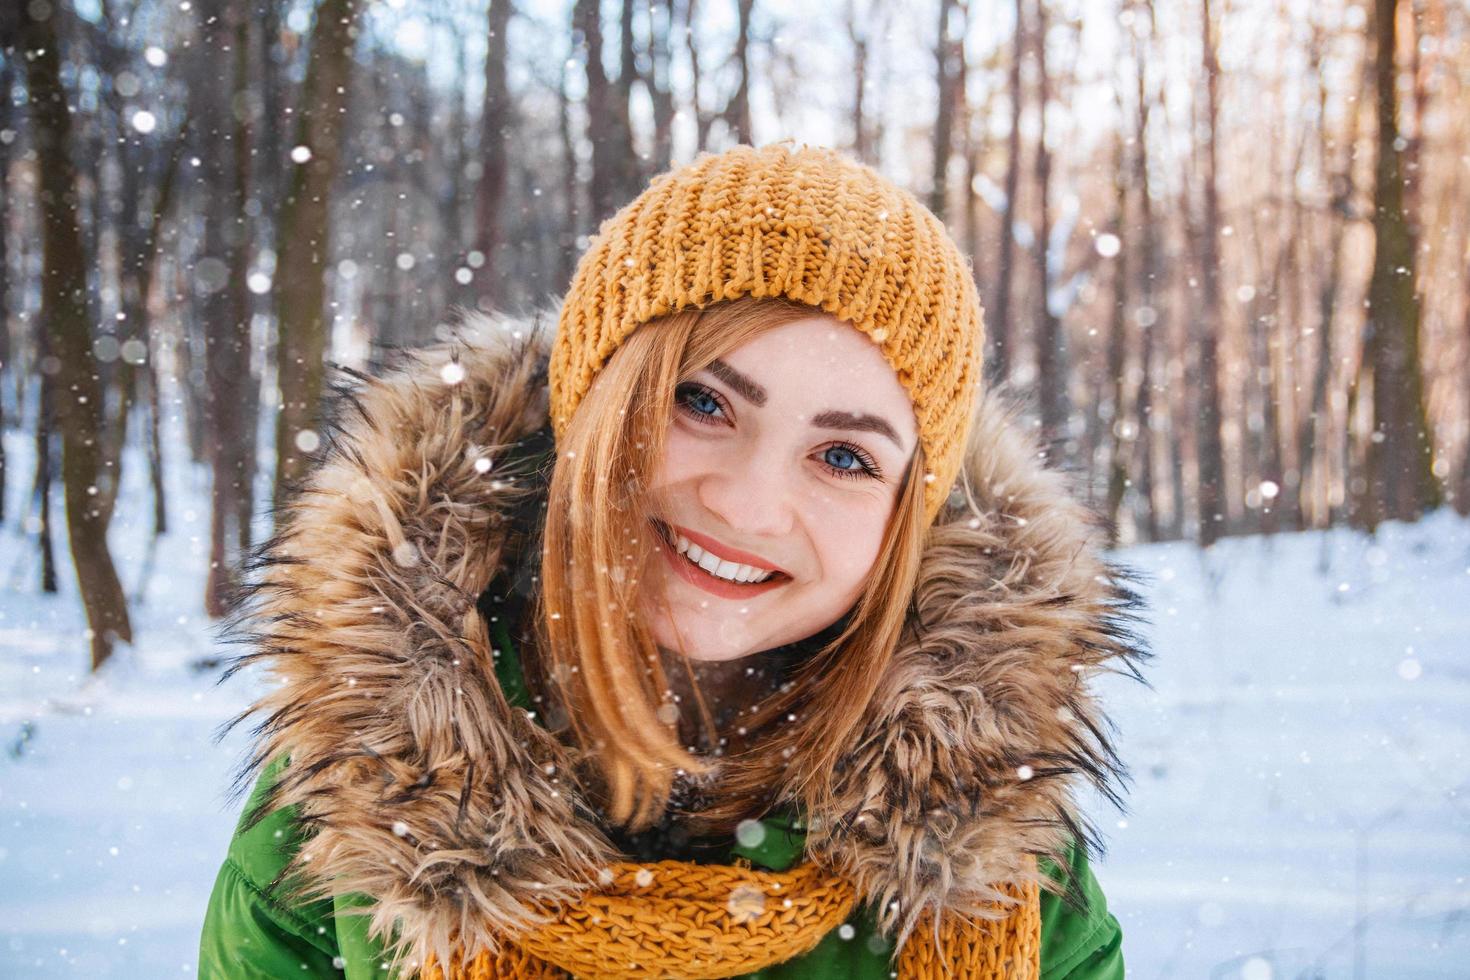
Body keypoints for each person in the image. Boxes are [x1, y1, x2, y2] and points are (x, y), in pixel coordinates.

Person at [199, 141, 1148, 979]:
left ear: (907, 524)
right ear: (589, 406)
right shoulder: (337, 839)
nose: (746, 501)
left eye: (846, 456)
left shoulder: (1005, 873)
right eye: (702, 403)